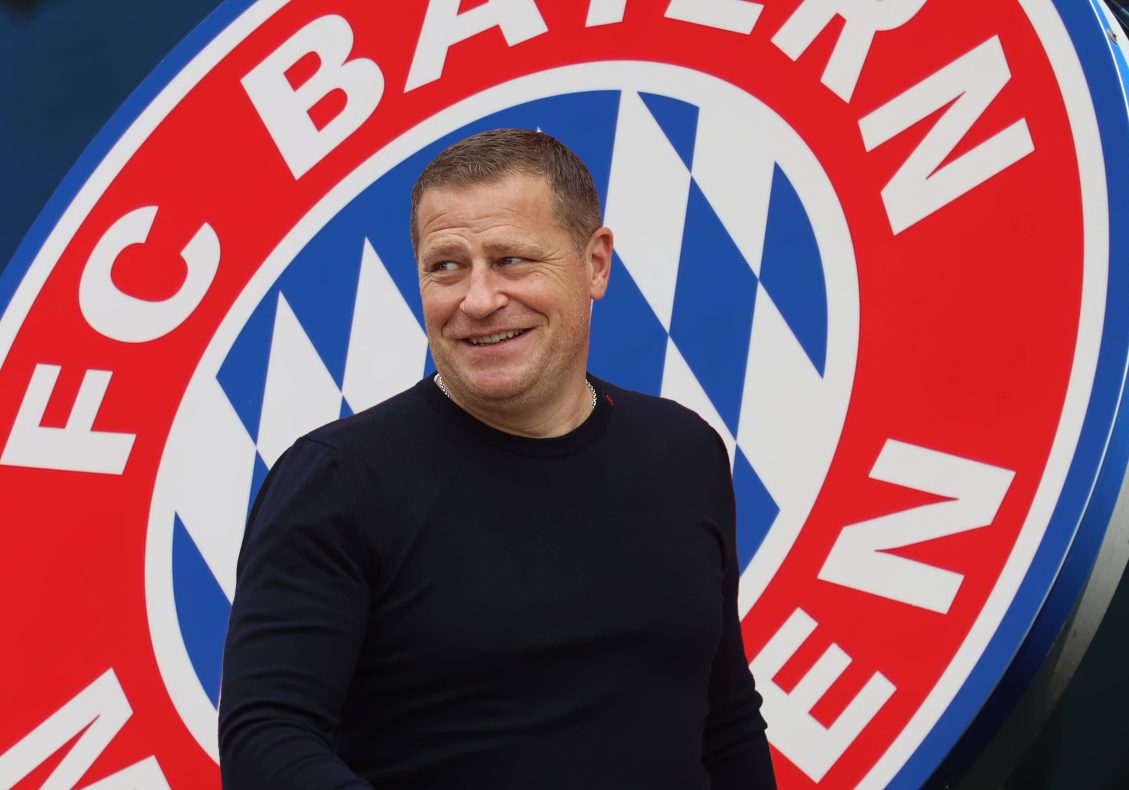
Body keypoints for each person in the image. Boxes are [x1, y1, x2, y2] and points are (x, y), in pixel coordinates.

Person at [218, 128, 777, 789]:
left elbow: (725, 722)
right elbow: (267, 742)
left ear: (595, 264)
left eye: (512, 260)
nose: (478, 300)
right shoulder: (336, 482)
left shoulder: (685, 451)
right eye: (445, 266)